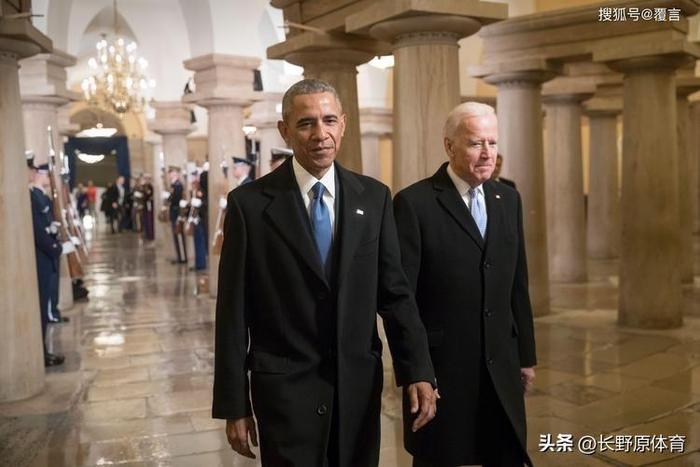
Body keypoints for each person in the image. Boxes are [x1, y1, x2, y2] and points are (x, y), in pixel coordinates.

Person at [213, 78, 437, 467]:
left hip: (356, 391)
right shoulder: (249, 206)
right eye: (306, 123)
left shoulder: (375, 197)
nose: (321, 134)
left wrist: (417, 368)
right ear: (285, 130)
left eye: (329, 120)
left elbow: (395, 294)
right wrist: (234, 403)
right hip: (284, 394)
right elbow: (232, 313)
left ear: (343, 124)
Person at [393, 102, 537, 467]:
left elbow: (517, 282)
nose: (488, 153)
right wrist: (416, 371)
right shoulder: (414, 204)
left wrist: (525, 357)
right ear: (449, 146)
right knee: (441, 456)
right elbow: (401, 299)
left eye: (492, 142)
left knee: (505, 453)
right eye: (476, 143)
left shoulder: (508, 199)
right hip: (443, 370)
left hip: (500, 365)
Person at [28, 157, 72, 366]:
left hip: (46, 255)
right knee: (42, 303)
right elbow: (37, 230)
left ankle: (43, 351)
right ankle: (41, 352)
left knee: (47, 297)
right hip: (42, 255)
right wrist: (55, 247)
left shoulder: (38, 196)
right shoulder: (32, 196)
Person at [168, 167, 187, 264]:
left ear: (176, 174)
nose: (170, 175)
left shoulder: (178, 185)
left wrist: (169, 198)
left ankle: (183, 257)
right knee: (176, 235)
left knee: (179, 234)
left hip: (177, 212)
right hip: (173, 212)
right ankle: (179, 256)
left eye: (171, 173)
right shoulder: (173, 185)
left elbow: (177, 200)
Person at [142, 174, 155, 240]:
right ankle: (146, 234)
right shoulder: (143, 186)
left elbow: (149, 195)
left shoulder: (150, 187)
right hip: (144, 205)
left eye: (148, 179)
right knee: (145, 220)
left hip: (149, 205)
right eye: (145, 178)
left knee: (149, 220)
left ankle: (150, 235)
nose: (146, 180)